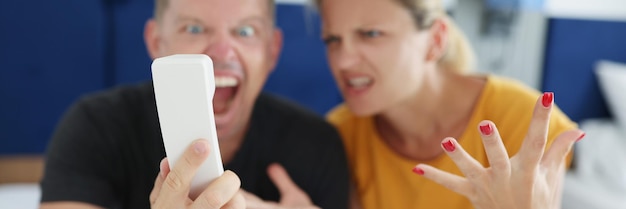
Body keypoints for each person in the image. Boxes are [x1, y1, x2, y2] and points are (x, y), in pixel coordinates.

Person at [38, 0, 349, 208]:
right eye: (194, 28)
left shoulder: (317, 144)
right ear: (156, 42)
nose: (222, 50)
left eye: (245, 31)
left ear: (272, 50)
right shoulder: (95, 126)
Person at [315, 0, 585, 208]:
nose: (342, 61)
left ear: (435, 40)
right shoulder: (339, 134)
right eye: (332, 39)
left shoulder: (521, 119)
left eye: (371, 34)